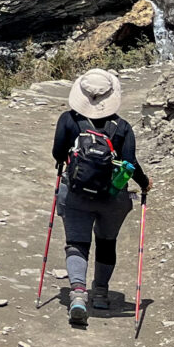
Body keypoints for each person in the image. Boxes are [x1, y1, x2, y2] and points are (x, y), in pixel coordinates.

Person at [51, 68, 151, 326]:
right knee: (107, 243)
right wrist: (144, 183)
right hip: (113, 197)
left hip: (75, 194)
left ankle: (77, 295)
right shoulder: (123, 127)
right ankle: (102, 295)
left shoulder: (68, 120)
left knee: (77, 243)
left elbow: (58, 153)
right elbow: (129, 163)